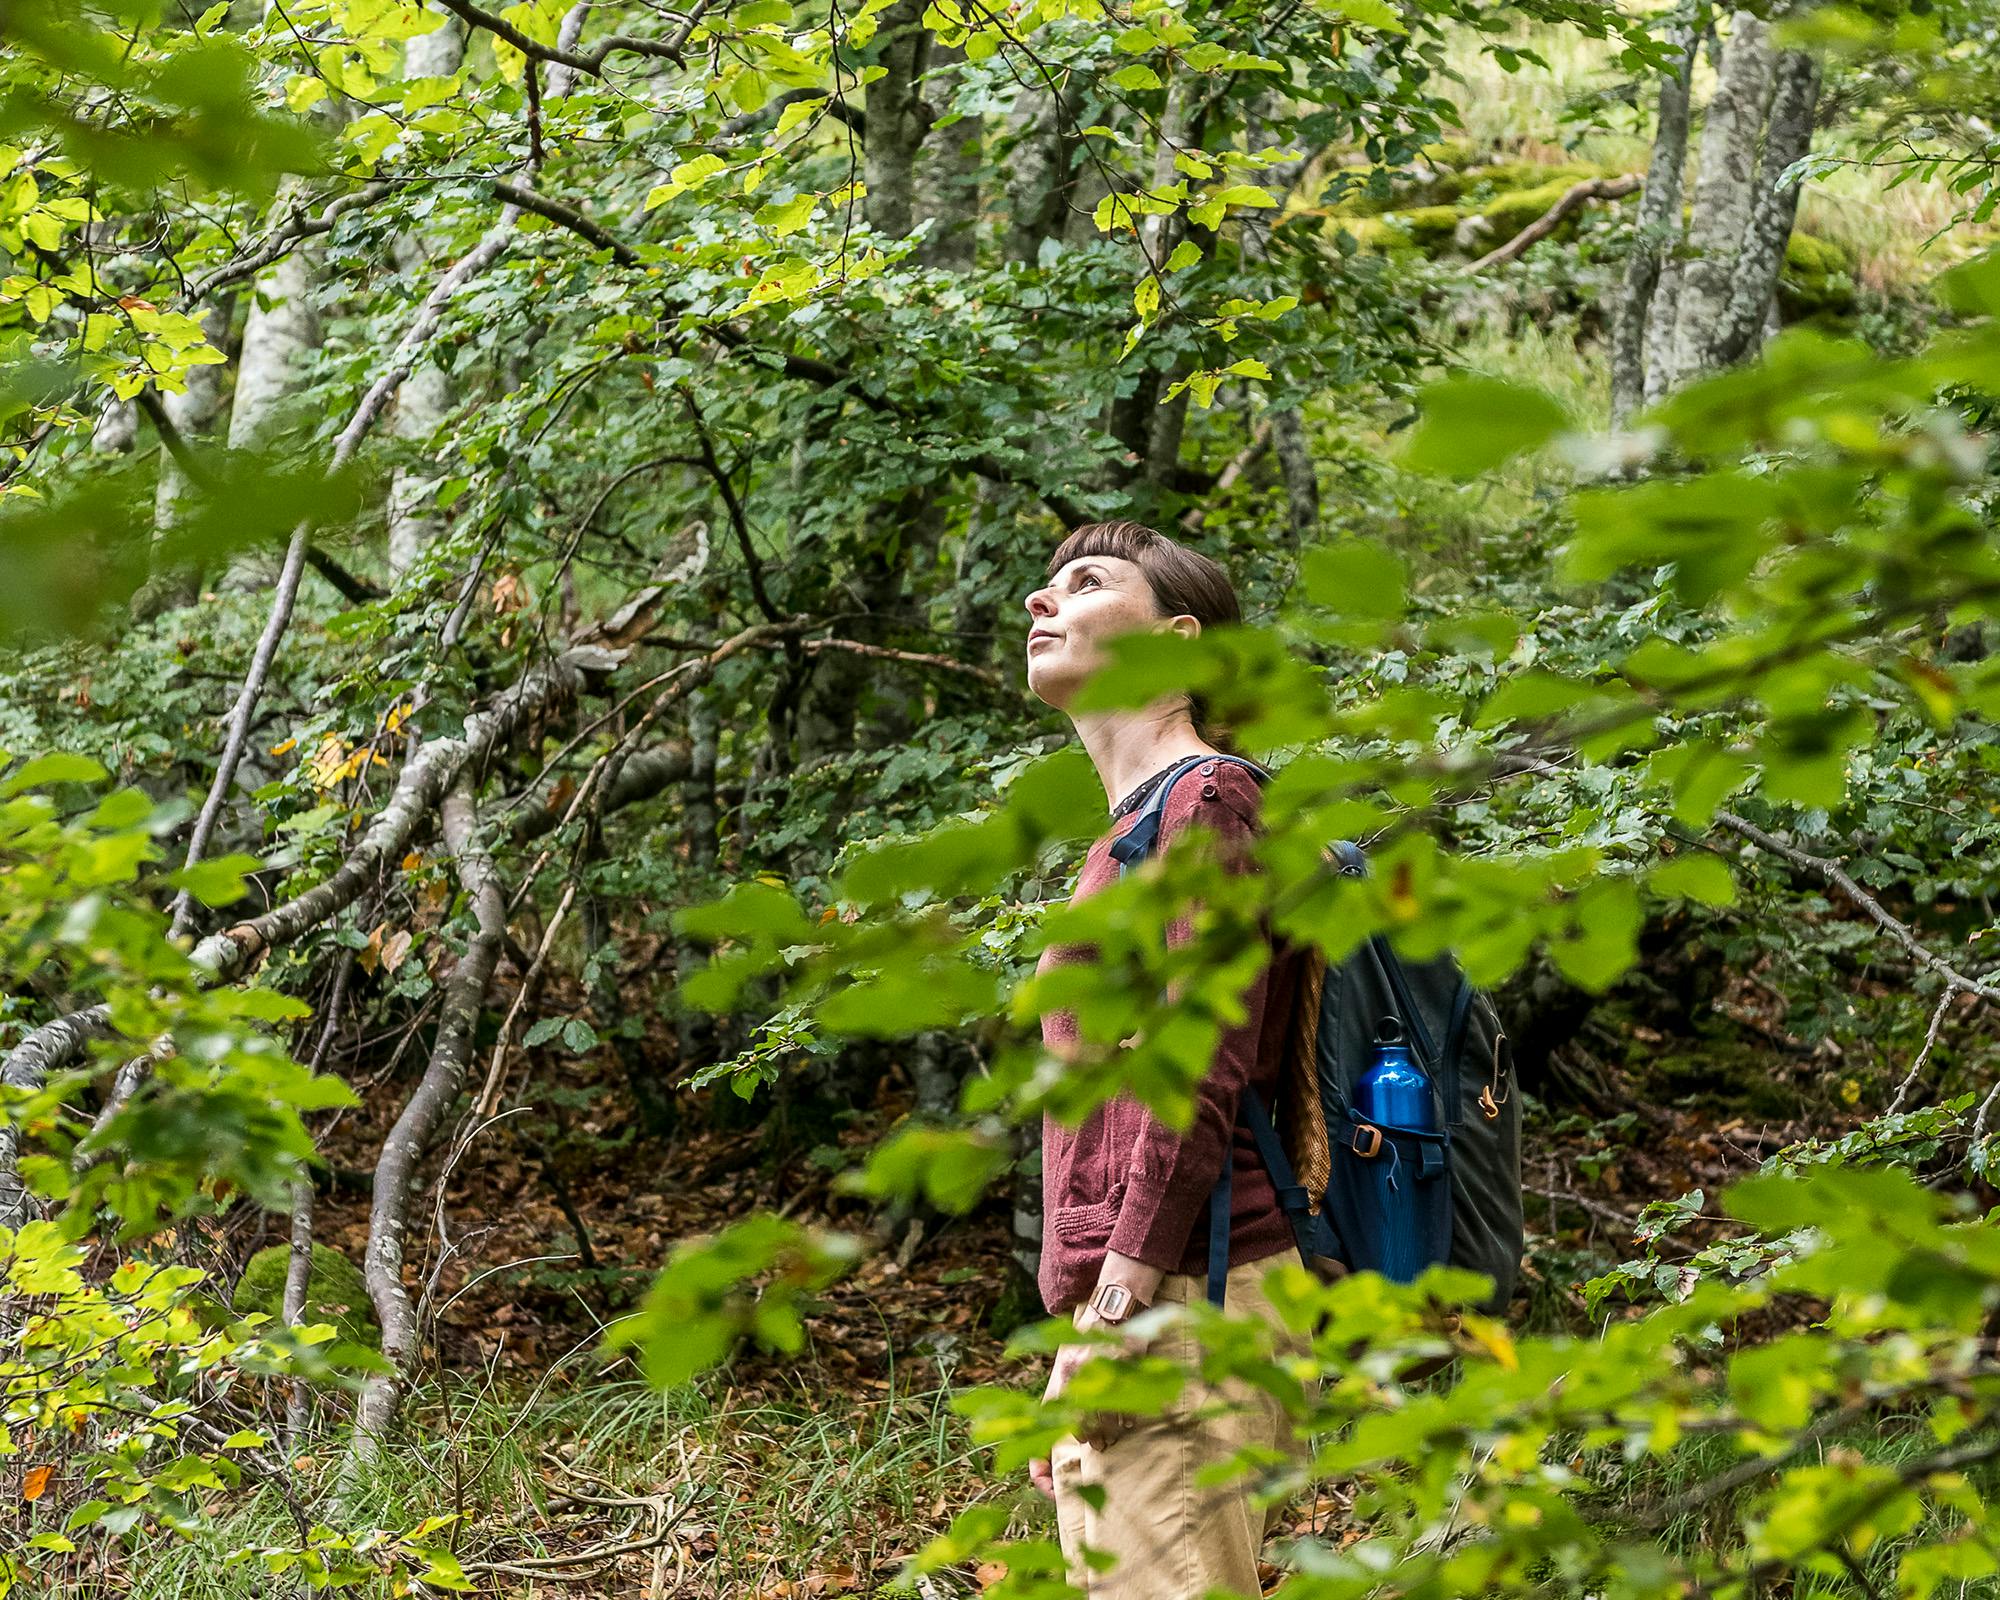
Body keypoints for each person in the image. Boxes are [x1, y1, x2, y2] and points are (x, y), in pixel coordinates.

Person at [1021, 519, 1316, 1598]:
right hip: (1147, 1288)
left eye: (1085, 581)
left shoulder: (1207, 801)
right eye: (1044, 585)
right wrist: (1076, 1331)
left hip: (1190, 1289)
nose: (1039, 602)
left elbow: (1200, 1066)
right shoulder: (1128, 833)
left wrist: (1117, 1313)